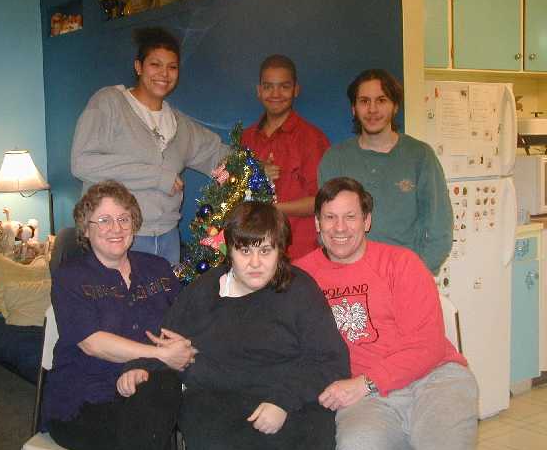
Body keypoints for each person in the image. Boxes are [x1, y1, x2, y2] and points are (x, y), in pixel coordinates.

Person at [119, 201, 350, 450]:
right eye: (244, 251)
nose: (255, 263)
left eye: (265, 251)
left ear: (280, 250)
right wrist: (139, 367)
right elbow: (166, 340)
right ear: (229, 251)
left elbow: (331, 362)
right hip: (218, 404)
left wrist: (283, 402)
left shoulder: (300, 290)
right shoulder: (205, 289)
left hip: (290, 402)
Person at [294, 177, 478, 450]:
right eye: (330, 217)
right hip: (366, 399)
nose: (340, 227)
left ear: (367, 221)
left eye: (350, 217)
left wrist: (366, 382)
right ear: (318, 223)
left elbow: (428, 346)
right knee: (357, 447)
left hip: (433, 379)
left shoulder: (401, 263)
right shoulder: (300, 276)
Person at [40, 180, 196, 450]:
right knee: (148, 421)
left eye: (124, 219)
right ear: (86, 229)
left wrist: (146, 366)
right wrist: (159, 356)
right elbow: (92, 343)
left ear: (134, 225)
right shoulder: (70, 277)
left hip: (150, 386)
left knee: (164, 391)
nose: (116, 228)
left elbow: (185, 323)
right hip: (85, 399)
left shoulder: (158, 268)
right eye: (104, 220)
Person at [71, 27, 230, 264]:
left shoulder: (179, 124)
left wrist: (257, 166)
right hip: (118, 238)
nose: (164, 73)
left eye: (172, 67)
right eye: (155, 64)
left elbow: (217, 155)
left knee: (167, 291)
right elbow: (82, 163)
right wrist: (157, 177)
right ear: (139, 67)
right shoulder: (109, 103)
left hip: (168, 240)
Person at [318, 69, 452, 274]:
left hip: (405, 276)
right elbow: (326, 229)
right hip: (352, 278)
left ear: (395, 106)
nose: (372, 109)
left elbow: (440, 230)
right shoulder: (334, 159)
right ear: (354, 108)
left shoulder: (420, 156)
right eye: (364, 101)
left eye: (381, 100)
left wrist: (415, 276)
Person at [242, 54, 330, 259]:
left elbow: (322, 201)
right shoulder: (246, 138)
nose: (275, 94)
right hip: (252, 254)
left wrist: (273, 209)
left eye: (284, 86)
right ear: (258, 90)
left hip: (299, 253)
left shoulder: (313, 139)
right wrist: (256, 173)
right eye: (268, 86)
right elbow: (230, 192)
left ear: (296, 90)